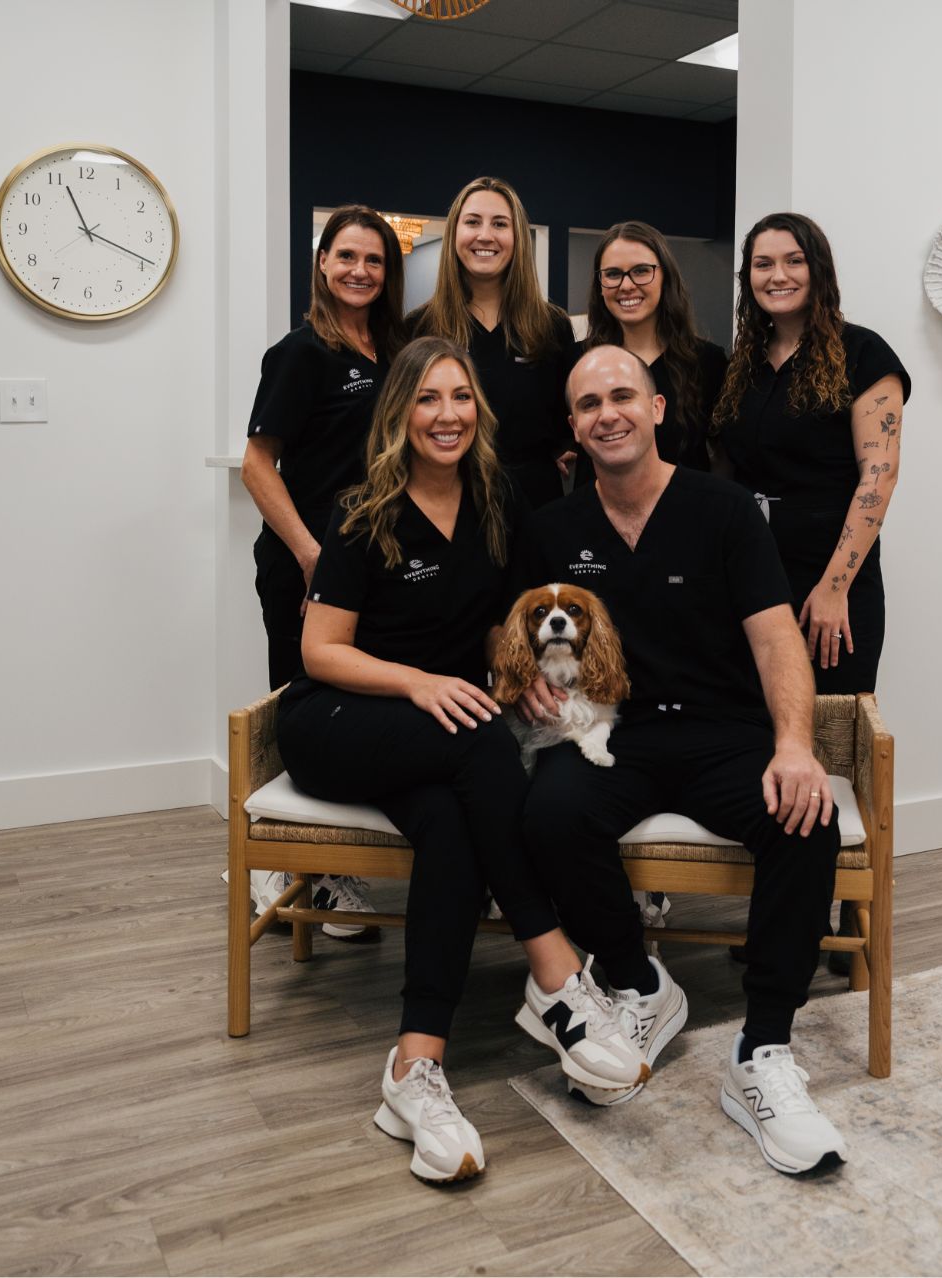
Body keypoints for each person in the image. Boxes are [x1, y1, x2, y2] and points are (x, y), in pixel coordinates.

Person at [277, 336, 646, 1184]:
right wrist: (417, 684)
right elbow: (321, 649)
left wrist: (514, 679)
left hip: (434, 738)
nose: (446, 416)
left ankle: (415, 1067)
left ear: (477, 410)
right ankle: (555, 972)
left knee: (451, 822)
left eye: (460, 398)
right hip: (337, 718)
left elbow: (496, 623)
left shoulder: (495, 502)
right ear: (399, 412)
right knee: (477, 741)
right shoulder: (362, 509)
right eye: (427, 400)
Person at [509, 344, 849, 1176]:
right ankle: (636, 981)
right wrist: (523, 692)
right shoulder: (551, 529)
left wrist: (795, 746)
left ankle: (763, 1053)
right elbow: (519, 640)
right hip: (613, 735)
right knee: (547, 814)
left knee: (807, 823)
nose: (608, 414)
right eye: (589, 404)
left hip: (722, 734)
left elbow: (775, 637)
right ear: (574, 427)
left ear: (658, 409)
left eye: (623, 395)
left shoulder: (725, 510)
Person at [243, 204, 406, 936]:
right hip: (304, 566)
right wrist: (313, 557)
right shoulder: (300, 353)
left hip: (372, 566)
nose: (360, 272)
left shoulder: (393, 350)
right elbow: (257, 463)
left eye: (374, 261)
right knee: (299, 710)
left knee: (354, 715)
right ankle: (276, 865)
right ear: (322, 263)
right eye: (347, 257)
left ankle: (334, 866)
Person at [714, 212, 908, 697]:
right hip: (750, 575)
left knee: (828, 735)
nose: (777, 275)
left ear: (818, 269)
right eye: (763, 264)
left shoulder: (863, 353)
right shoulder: (744, 363)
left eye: (793, 261)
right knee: (751, 732)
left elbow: (878, 477)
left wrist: (834, 587)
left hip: (829, 583)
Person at [409, 176, 576, 507]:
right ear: (455, 233)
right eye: (472, 222)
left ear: (517, 238)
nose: (485, 235)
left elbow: (569, 414)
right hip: (449, 499)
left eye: (500, 223)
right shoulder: (419, 328)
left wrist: (567, 445)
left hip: (536, 502)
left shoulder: (552, 326)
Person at [583, 221, 728, 470]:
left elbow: (725, 455)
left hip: (688, 506)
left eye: (641, 271)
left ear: (665, 277)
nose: (626, 285)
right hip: (598, 507)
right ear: (600, 284)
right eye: (613, 274)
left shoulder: (709, 362)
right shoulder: (578, 361)